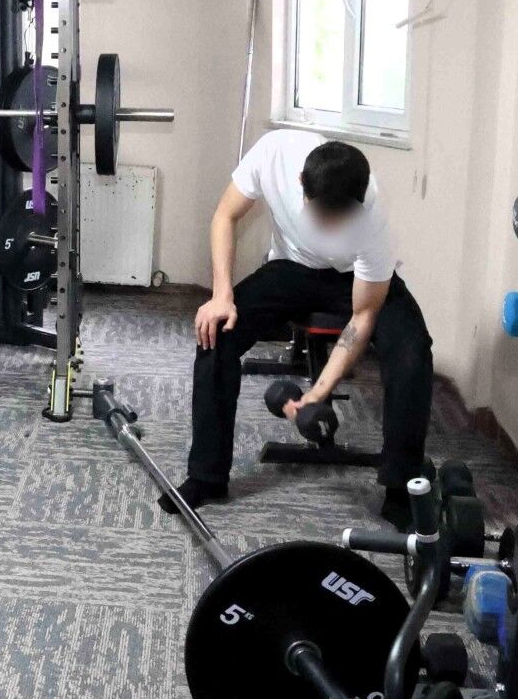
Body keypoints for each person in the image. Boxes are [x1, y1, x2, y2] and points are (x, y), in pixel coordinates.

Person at [167, 130, 434, 529]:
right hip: (292, 269)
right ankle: (206, 476)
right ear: (300, 187)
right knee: (216, 333)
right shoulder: (274, 154)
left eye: (337, 218)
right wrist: (221, 294)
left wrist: (317, 393)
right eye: (320, 215)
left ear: (358, 203)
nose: (327, 226)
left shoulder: (372, 221)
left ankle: (401, 487)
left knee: (412, 353)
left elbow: (362, 317)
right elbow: (225, 215)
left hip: (356, 280)